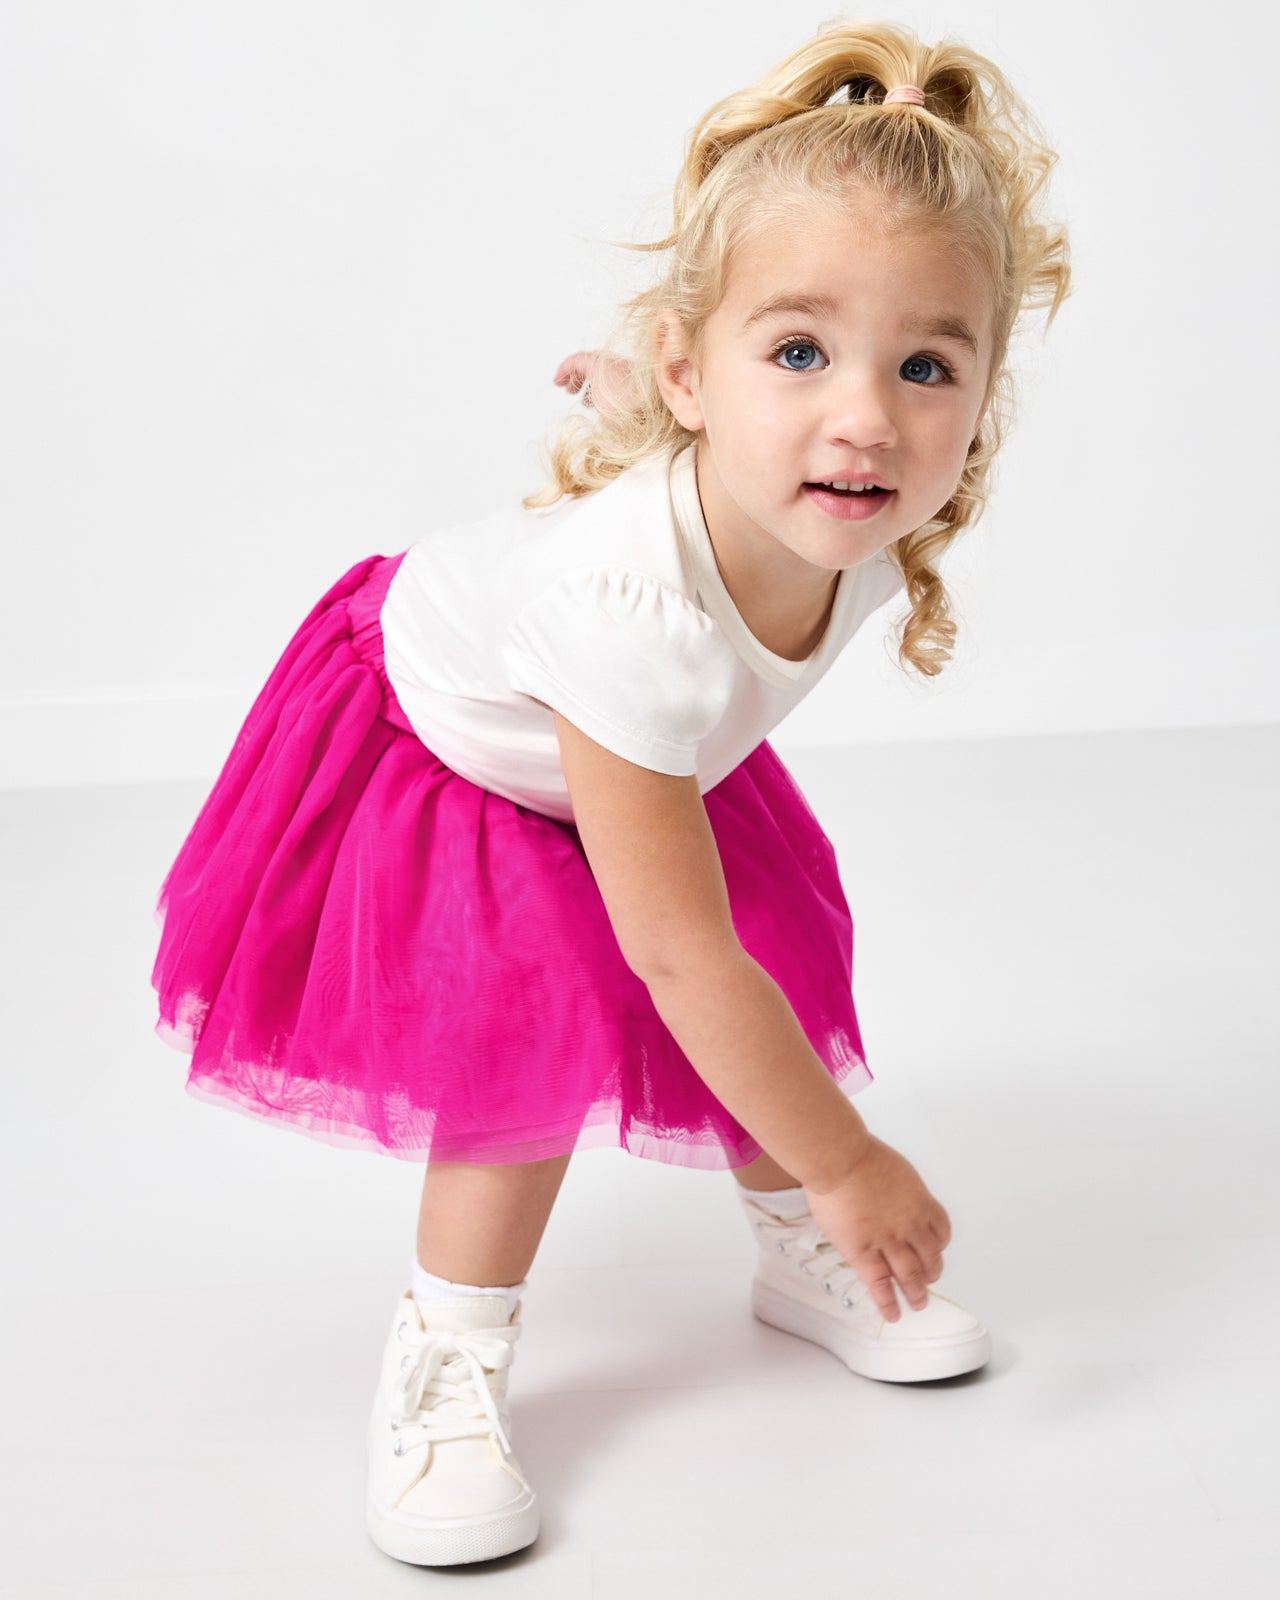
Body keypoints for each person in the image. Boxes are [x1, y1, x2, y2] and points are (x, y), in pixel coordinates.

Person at [150, 17, 1069, 1569]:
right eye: (799, 353)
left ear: (981, 395)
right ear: (694, 375)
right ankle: (448, 1357)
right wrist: (854, 1158)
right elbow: (675, 953)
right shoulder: (627, 612)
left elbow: (713, 948)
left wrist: (644, 386)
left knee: (770, 966)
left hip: (643, 743)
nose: (865, 416)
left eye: (926, 365)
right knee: (530, 1044)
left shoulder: (852, 509)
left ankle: (798, 1251)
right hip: (454, 753)